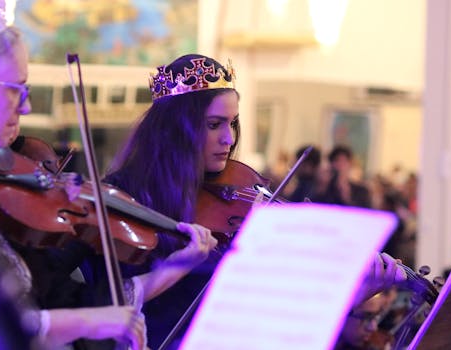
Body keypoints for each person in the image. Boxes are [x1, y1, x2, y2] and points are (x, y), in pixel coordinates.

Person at [104, 54, 406, 349]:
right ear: (174, 129)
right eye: (213, 124)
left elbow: (272, 317)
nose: (229, 139)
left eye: (232, 123)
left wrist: (354, 293)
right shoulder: (123, 198)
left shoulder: (239, 197)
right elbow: (102, 303)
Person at [0, 7, 215, 348]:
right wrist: (85, 322)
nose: (25, 107)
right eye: (14, 88)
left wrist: (174, 267)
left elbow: (68, 299)